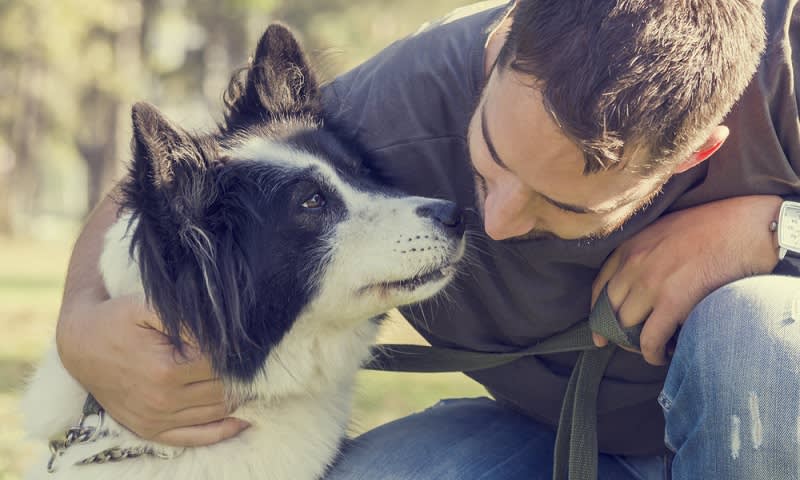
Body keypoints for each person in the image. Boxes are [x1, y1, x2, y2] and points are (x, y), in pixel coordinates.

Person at [55, 0, 800, 478]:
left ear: (695, 152)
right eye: (489, 160)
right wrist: (79, 325)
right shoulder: (401, 96)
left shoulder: (786, 68)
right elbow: (190, 174)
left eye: (558, 205)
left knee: (756, 332)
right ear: (500, 45)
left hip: (770, 426)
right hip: (546, 441)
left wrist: (765, 230)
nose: (497, 222)